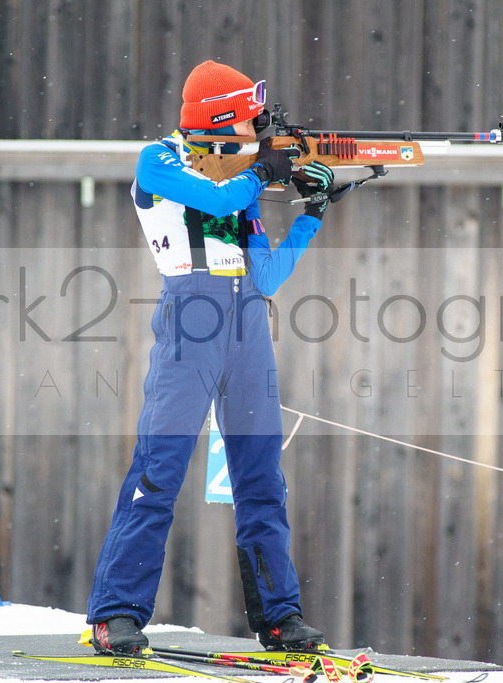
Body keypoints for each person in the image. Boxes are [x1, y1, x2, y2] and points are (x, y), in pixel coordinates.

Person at [86, 60, 332, 656]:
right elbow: (214, 193)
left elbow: (266, 276)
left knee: (261, 478)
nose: (255, 133)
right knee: (159, 468)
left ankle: (279, 617)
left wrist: (312, 214)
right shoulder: (161, 161)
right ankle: (115, 613)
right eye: (247, 123)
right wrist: (266, 167)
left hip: (248, 321)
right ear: (220, 121)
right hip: (190, 318)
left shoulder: (240, 179)